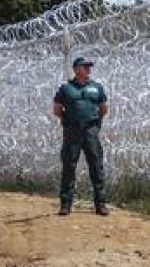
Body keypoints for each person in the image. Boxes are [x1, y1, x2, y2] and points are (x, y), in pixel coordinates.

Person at [52, 56, 109, 216]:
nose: (88, 69)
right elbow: (57, 109)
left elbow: (103, 108)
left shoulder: (97, 87)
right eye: (85, 66)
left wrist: (95, 123)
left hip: (90, 131)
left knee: (96, 166)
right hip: (72, 131)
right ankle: (65, 205)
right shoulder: (66, 88)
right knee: (69, 166)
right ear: (76, 69)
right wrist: (68, 121)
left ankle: (101, 205)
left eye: (89, 66)